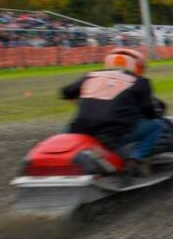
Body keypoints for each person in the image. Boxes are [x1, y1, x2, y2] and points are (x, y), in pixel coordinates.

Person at [61, 48, 164, 176]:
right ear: (136, 66)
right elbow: (150, 112)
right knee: (156, 125)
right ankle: (136, 158)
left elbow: (65, 92)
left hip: (80, 131)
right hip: (112, 135)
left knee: (68, 127)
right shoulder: (141, 82)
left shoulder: (91, 75)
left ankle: (64, 151)